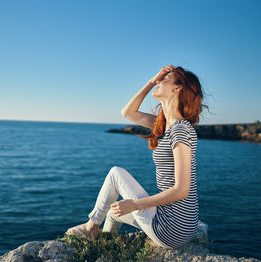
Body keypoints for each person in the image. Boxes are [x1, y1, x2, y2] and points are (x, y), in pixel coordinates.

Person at [66, 64, 206, 249]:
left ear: (177, 88)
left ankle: (91, 226)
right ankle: (103, 244)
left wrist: (135, 204)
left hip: (172, 229)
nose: (158, 81)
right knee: (114, 211)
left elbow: (181, 190)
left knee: (116, 173)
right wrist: (152, 81)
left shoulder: (180, 130)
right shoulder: (165, 125)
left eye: (164, 80)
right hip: (178, 225)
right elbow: (128, 112)